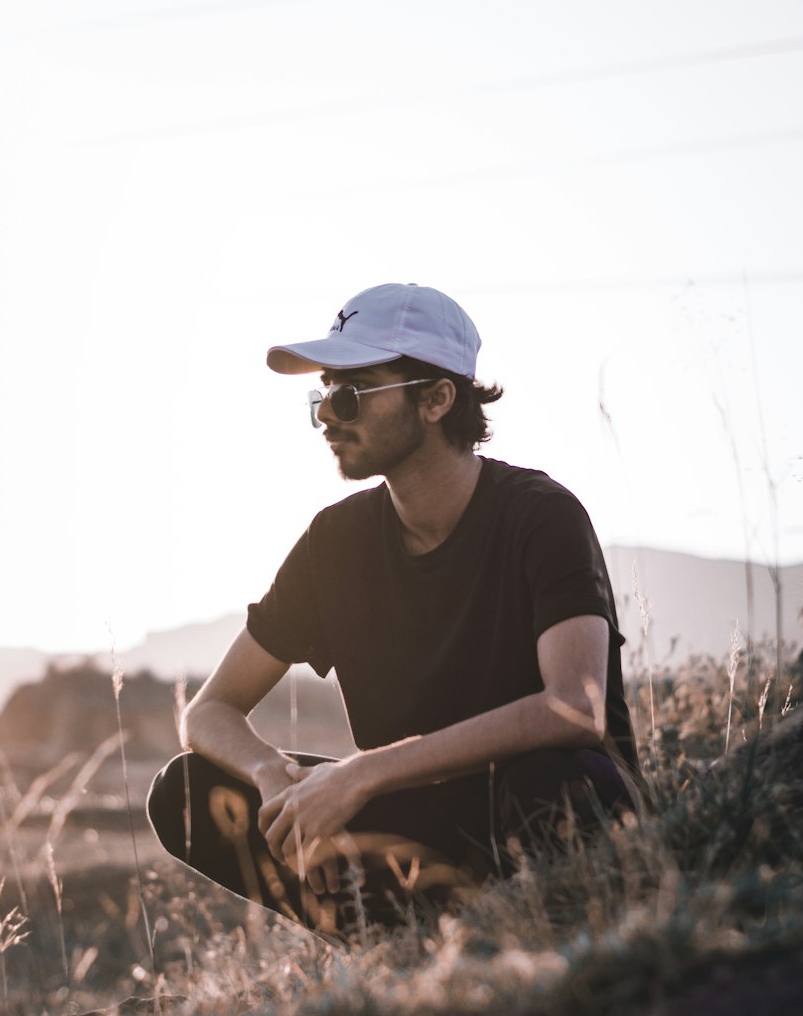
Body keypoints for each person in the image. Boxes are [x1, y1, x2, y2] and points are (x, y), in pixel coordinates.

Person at [148, 282, 639, 939]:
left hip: (543, 811)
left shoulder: (540, 516)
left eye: (350, 395)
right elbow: (207, 712)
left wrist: (364, 773)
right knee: (183, 792)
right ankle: (399, 944)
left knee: (554, 781)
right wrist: (275, 781)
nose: (328, 417)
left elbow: (574, 705)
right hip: (412, 828)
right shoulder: (335, 542)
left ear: (436, 399)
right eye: (323, 396)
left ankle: (532, 934)